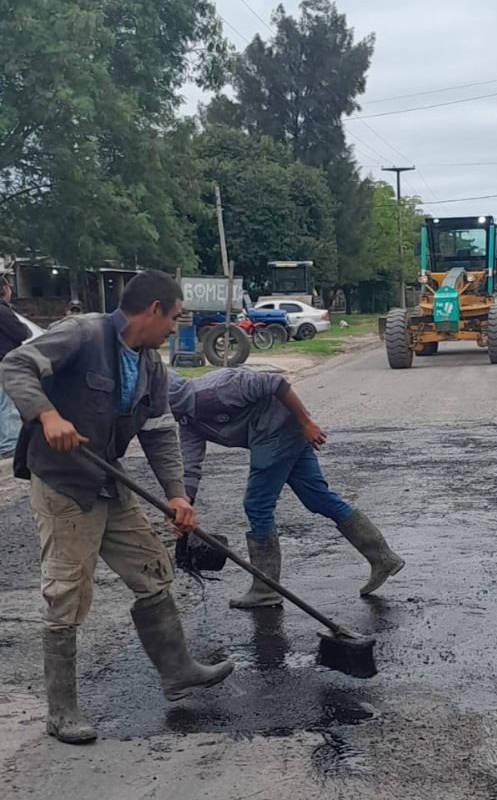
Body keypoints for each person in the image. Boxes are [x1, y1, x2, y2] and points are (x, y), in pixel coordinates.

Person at [0, 270, 233, 745]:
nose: (175, 326)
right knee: (67, 593)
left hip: (110, 481)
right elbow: (15, 366)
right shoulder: (82, 333)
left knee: (152, 570)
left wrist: (177, 495)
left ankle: (178, 671)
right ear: (152, 311)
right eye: (174, 316)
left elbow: (160, 431)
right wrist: (46, 415)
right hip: (65, 484)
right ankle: (61, 711)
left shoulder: (150, 365)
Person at [167, 366, 405, 608]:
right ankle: (383, 558)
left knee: (257, 504)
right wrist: (183, 507)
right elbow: (190, 468)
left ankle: (266, 588)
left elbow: (275, 383)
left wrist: (307, 422)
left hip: (281, 429)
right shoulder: (188, 422)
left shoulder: (217, 389)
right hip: (279, 434)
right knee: (318, 498)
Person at [0, 276, 31, 458]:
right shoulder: (3, 312)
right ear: (4, 289)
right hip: (4, 361)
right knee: (8, 404)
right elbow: (21, 331)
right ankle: (10, 444)